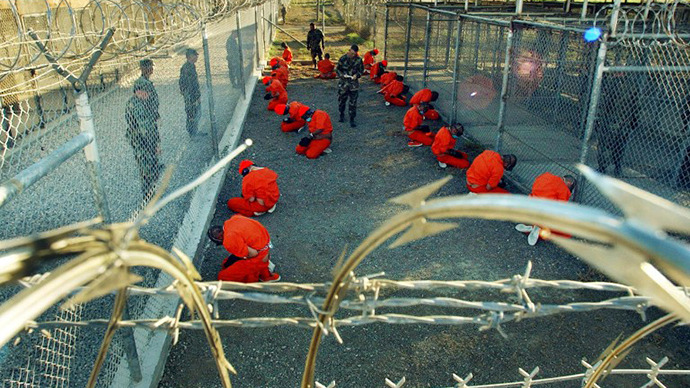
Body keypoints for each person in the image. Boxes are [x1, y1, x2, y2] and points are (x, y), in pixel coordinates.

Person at [207, 215, 280, 283]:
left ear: (220, 238)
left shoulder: (229, 240)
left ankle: (257, 273)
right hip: (265, 246)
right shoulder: (234, 219)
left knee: (222, 276)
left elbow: (253, 253)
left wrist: (243, 257)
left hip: (259, 256)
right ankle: (264, 272)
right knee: (227, 263)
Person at [125, 78, 163, 200]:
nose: (149, 95)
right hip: (141, 141)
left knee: (151, 164)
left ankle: (151, 189)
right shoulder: (136, 105)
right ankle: (148, 194)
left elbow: (151, 124)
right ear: (139, 91)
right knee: (146, 167)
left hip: (146, 139)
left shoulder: (142, 102)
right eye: (147, 92)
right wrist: (155, 144)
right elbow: (146, 128)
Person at [516, 173, 577, 245]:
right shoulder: (564, 189)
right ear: (569, 183)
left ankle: (532, 226)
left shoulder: (546, 175)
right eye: (571, 187)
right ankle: (538, 229)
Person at [335, 44, 364, 127]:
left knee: (353, 103)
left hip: (353, 85)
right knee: (341, 100)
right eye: (349, 51)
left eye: (352, 53)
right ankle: (341, 114)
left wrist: (357, 75)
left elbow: (361, 70)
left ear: (355, 54)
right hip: (343, 84)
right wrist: (342, 75)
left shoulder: (359, 60)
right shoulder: (343, 58)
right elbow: (337, 70)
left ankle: (352, 118)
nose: (349, 54)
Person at [179, 48, 201, 136]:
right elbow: (187, 84)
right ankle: (192, 132)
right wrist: (193, 96)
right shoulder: (187, 68)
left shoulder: (191, 66)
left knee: (196, 112)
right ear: (190, 56)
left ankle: (194, 130)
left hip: (193, 94)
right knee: (191, 113)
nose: (197, 57)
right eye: (195, 55)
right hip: (190, 95)